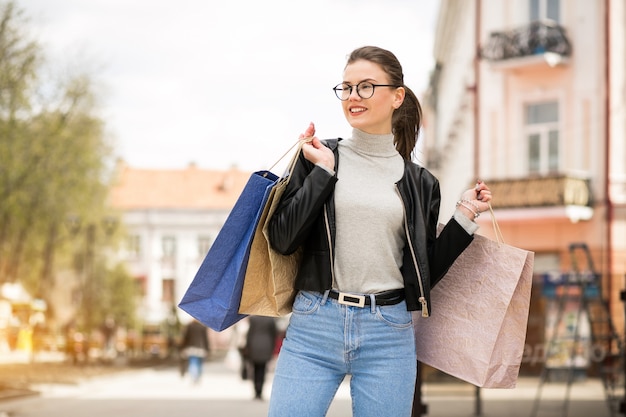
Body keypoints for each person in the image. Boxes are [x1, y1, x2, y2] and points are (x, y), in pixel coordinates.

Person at [266, 46, 493, 417]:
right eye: (347, 88)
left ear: (397, 96)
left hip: (387, 332)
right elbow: (282, 238)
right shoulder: (318, 157)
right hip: (314, 326)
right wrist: (322, 174)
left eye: (366, 87)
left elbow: (424, 274)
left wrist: (465, 216)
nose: (353, 97)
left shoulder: (422, 183)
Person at [244, 316, 278, 400]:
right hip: (266, 345)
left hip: (254, 345)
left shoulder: (253, 319)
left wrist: (247, 346)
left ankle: (256, 391)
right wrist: (273, 347)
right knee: (262, 370)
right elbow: (274, 334)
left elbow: (250, 333)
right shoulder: (271, 319)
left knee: (255, 369)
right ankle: (260, 391)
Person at [180, 319, 210, 384]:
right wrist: (207, 349)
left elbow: (186, 338)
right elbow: (205, 339)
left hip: (192, 348)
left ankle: (194, 377)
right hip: (201, 348)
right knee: (199, 364)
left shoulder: (189, 326)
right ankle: (198, 377)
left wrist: (183, 347)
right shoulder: (203, 327)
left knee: (193, 363)